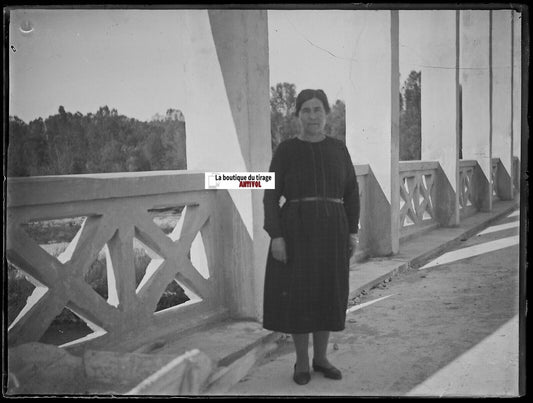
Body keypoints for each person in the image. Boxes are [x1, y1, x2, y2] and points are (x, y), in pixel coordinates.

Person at [263, 89, 360, 385]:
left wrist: (353, 230)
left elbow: (351, 191)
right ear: (297, 116)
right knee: (300, 296)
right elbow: (270, 195)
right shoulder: (285, 151)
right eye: (306, 110)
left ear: (327, 114)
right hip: (296, 232)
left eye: (318, 109)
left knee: (327, 294)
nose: (313, 116)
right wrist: (276, 236)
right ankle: (302, 363)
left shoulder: (338, 149)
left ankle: (321, 359)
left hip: (333, 231)